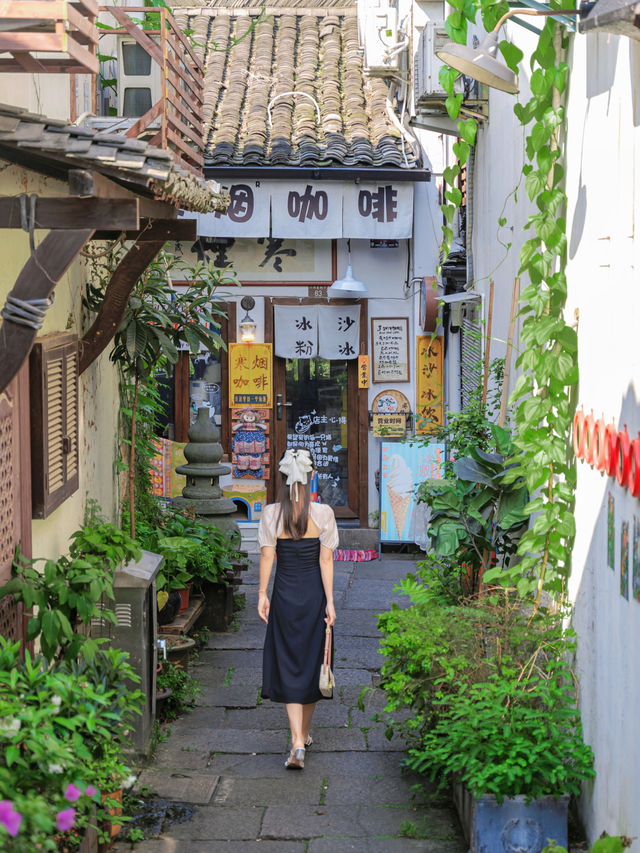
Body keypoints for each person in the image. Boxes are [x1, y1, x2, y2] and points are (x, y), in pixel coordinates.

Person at [257, 447, 339, 770]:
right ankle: (302, 737)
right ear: (310, 478)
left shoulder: (270, 515)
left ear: (282, 480)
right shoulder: (323, 515)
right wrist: (330, 602)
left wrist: (262, 593)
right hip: (314, 597)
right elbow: (326, 559)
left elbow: (266, 557)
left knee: (289, 664)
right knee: (311, 664)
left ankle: (296, 742)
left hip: (285, 597)